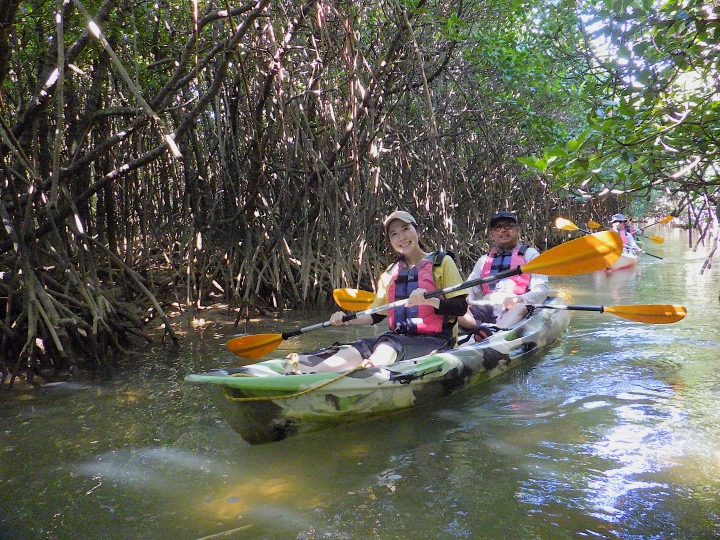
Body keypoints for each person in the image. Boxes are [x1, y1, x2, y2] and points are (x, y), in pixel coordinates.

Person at [294, 210, 468, 373]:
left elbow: (460, 307)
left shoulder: (442, 262)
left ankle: (370, 373)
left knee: (388, 343)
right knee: (361, 346)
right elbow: (376, 315)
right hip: (399, 338)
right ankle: (310, 375)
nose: (401, 237)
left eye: (406, 229)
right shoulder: (390, 274)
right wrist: (347, 320)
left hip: (437, 341)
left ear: (418, 232)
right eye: (394, 234)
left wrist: (430, 301)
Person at [458, 211, 549, 338]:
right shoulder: (484, 260)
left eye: (508, 226)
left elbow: (542, 288)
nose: (503, 230)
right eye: (498, 227)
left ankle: (494, 334)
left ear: (518, 230)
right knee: (457, 309)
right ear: (492, 234)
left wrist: (521, 299)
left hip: (515, 308)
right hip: (487, 307)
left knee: (520, 307)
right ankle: (476, 331)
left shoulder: (530, 254)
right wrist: (463, 298)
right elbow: (470, 286)